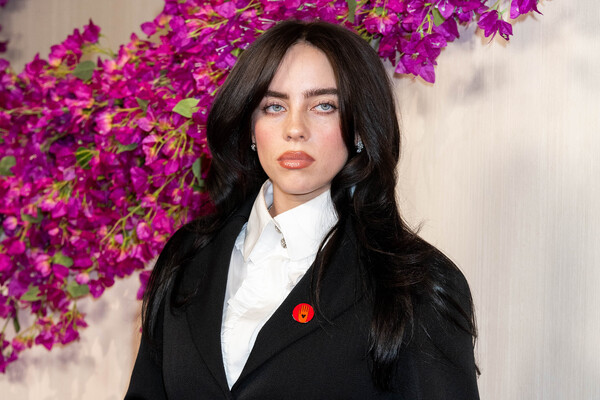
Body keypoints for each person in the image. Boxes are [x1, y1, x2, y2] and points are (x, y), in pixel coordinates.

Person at [125, 20, 479, 399]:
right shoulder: (185, 257)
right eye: (274, 106)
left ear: (359, 128)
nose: (295, 129)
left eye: (324, 106)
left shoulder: (416, 284)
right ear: (250, 127)